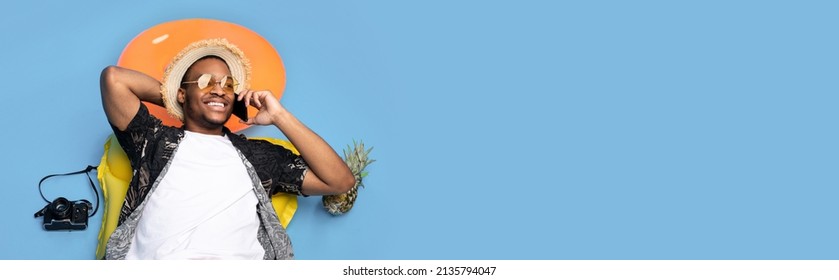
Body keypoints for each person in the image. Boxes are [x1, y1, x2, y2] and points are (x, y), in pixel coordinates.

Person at [99, 38, 355, 260]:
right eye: (206, 81)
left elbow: (339, 181)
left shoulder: (260, 156)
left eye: (228, 86)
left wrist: (279, 116)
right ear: (181, 94)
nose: (220, 90)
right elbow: (114, 79)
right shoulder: (154, 140)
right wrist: (182, 98)